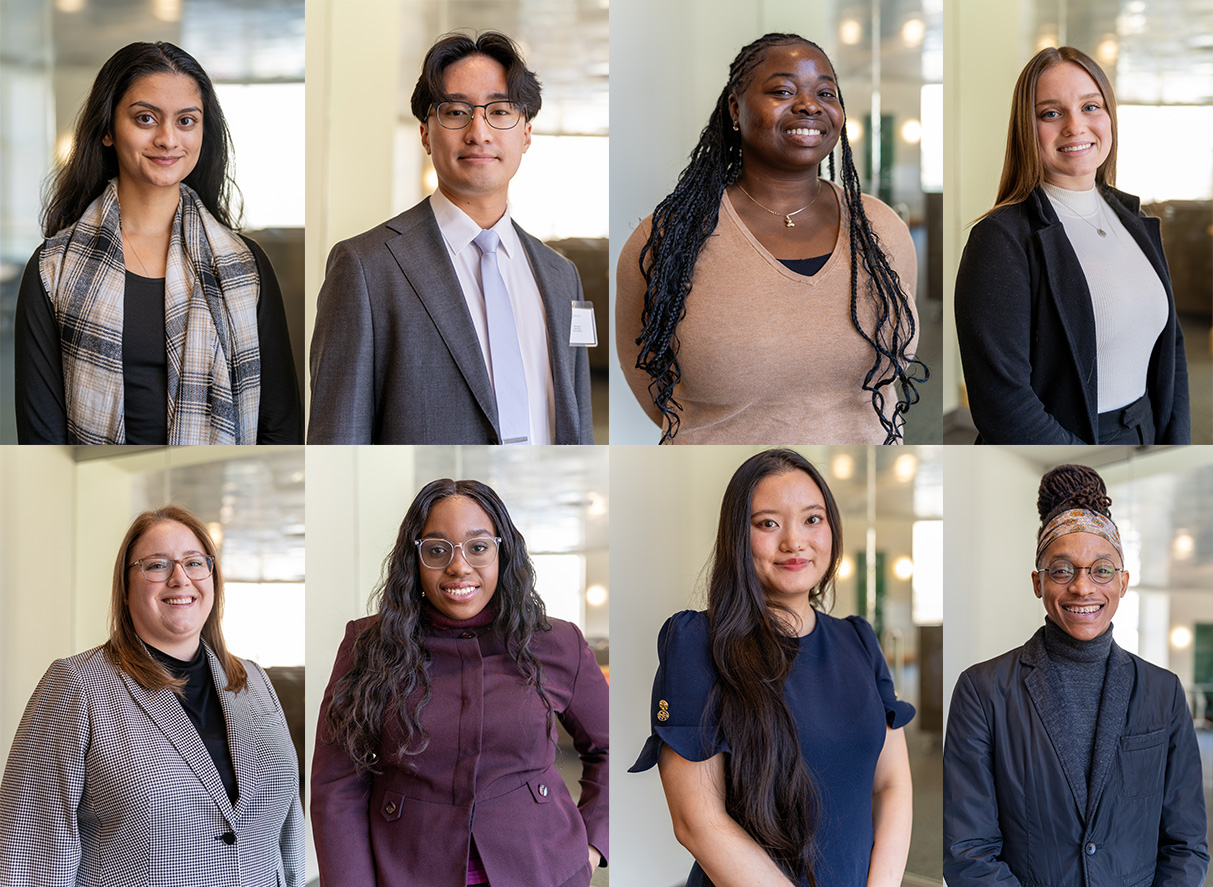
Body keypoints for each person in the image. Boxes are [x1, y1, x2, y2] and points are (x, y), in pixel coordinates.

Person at [615, 34, 926, 445]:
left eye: (826, 93)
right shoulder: (668, 239)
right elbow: (646, 374)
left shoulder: (881, 227)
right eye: (782, 90)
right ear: (735, 109)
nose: (809, 105)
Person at [631, 449, 914, 887]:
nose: (794, 542)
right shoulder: (697, 642)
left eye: (812, 519)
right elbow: (697, 821)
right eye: (767, 523)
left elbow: (892, 783)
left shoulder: (859, 639)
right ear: (737, 538)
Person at [311, 479, 608, 886]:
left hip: (541, 868)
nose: (459, 566)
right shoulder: (368, 645)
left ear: (503, 552)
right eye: (436, 550)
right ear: (413, 560)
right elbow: (337, 785)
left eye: (478, 547)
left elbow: (609, 745)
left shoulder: (557, 642)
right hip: (407, 870)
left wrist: (591, 845)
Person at [308, 31, 594, 445]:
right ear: (426, 133)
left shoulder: (561, 275)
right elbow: (337, 439)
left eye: (499, 111)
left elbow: (578, 426)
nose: (479, 132)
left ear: (526, 133)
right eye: (457, 112)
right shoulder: (366, 268)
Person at [14, 41, 303, 445]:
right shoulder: (52, 268)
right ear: (108, 130)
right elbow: (41, 438)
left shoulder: (245, 266)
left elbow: (281, 427)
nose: (168, 139)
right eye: (146, 118)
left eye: (186, 121)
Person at [0, 506, 305, 885]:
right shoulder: (77, 684)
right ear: (125, 591)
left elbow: (289, 831)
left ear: (213, 579)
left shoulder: (253, 681)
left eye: (194, 563)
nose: (180, 578)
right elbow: (30, 850)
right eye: (157, 565)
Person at [943, 464, 1208, 885]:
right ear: (1038, 582)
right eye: (1062, 570)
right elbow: (967, 852)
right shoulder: (982, 690)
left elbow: (1186, 843)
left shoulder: (1164, 691)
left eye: (1102, 570)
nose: (1083, 587)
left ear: (1122, 582)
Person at [954, 47, 1188, 444]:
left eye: (1090, 107)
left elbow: (1172, 349)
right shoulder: (1000, 240)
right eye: (1051, 113)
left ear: (1110, 115)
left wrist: (1174, 444)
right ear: (1027, 129)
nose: (1075, 126)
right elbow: (1004, 405)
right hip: (1067, 448)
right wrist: (1083, 467)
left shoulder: (1133, 220)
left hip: (1146, 432)